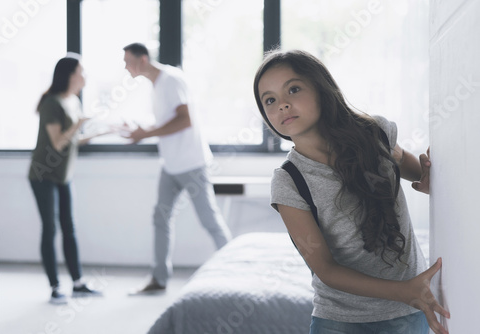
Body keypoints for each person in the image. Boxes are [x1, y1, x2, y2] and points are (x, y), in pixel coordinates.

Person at [253, 49, 450, 334]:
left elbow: (422, 173)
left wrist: (431, 177)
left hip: (409, 311)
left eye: (293, 89)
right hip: (341, 322)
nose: (282, 105)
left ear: (321, 89)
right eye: (270, 100)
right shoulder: (289, 180)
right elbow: (326, 269)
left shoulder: (375, 134)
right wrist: (405, 291)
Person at [122, 43, 232, 293]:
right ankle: (159, 279)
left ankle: (237, 271)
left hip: (191, 163)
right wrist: (142, 129)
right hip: (170, 165)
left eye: (128, 61)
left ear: (142, 60)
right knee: (160, 218)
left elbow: (184, 120)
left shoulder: (171, 79)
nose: (125, 67)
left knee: (209, 221)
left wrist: (146, 133)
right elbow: (167, 122)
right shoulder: (156, 85)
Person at [29, 54, 108, 304]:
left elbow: (72, 140)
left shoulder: (73, 101)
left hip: (63, 176)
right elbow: (59, 141)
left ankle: (78, 283)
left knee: (69, 228)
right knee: (50, 229)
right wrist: (79, 125)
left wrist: (101, 131)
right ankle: (55, 288)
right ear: (70, 75)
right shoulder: (52, 103)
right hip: (43, 175)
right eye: (81, 71)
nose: (85, 76)